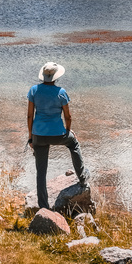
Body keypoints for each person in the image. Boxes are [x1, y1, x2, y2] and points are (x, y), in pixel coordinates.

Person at [27, 61, 89, 210]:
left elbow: (30, 116)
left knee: (41, 171)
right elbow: (68, 116)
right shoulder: (61, 92)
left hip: (38, 135)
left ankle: (43, 207)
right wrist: (68, 131)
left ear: (43, 76)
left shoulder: (33, 91)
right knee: (73, 144)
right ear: (55, 77)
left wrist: (31, 138)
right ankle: (82, 180)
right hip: (59, 135)